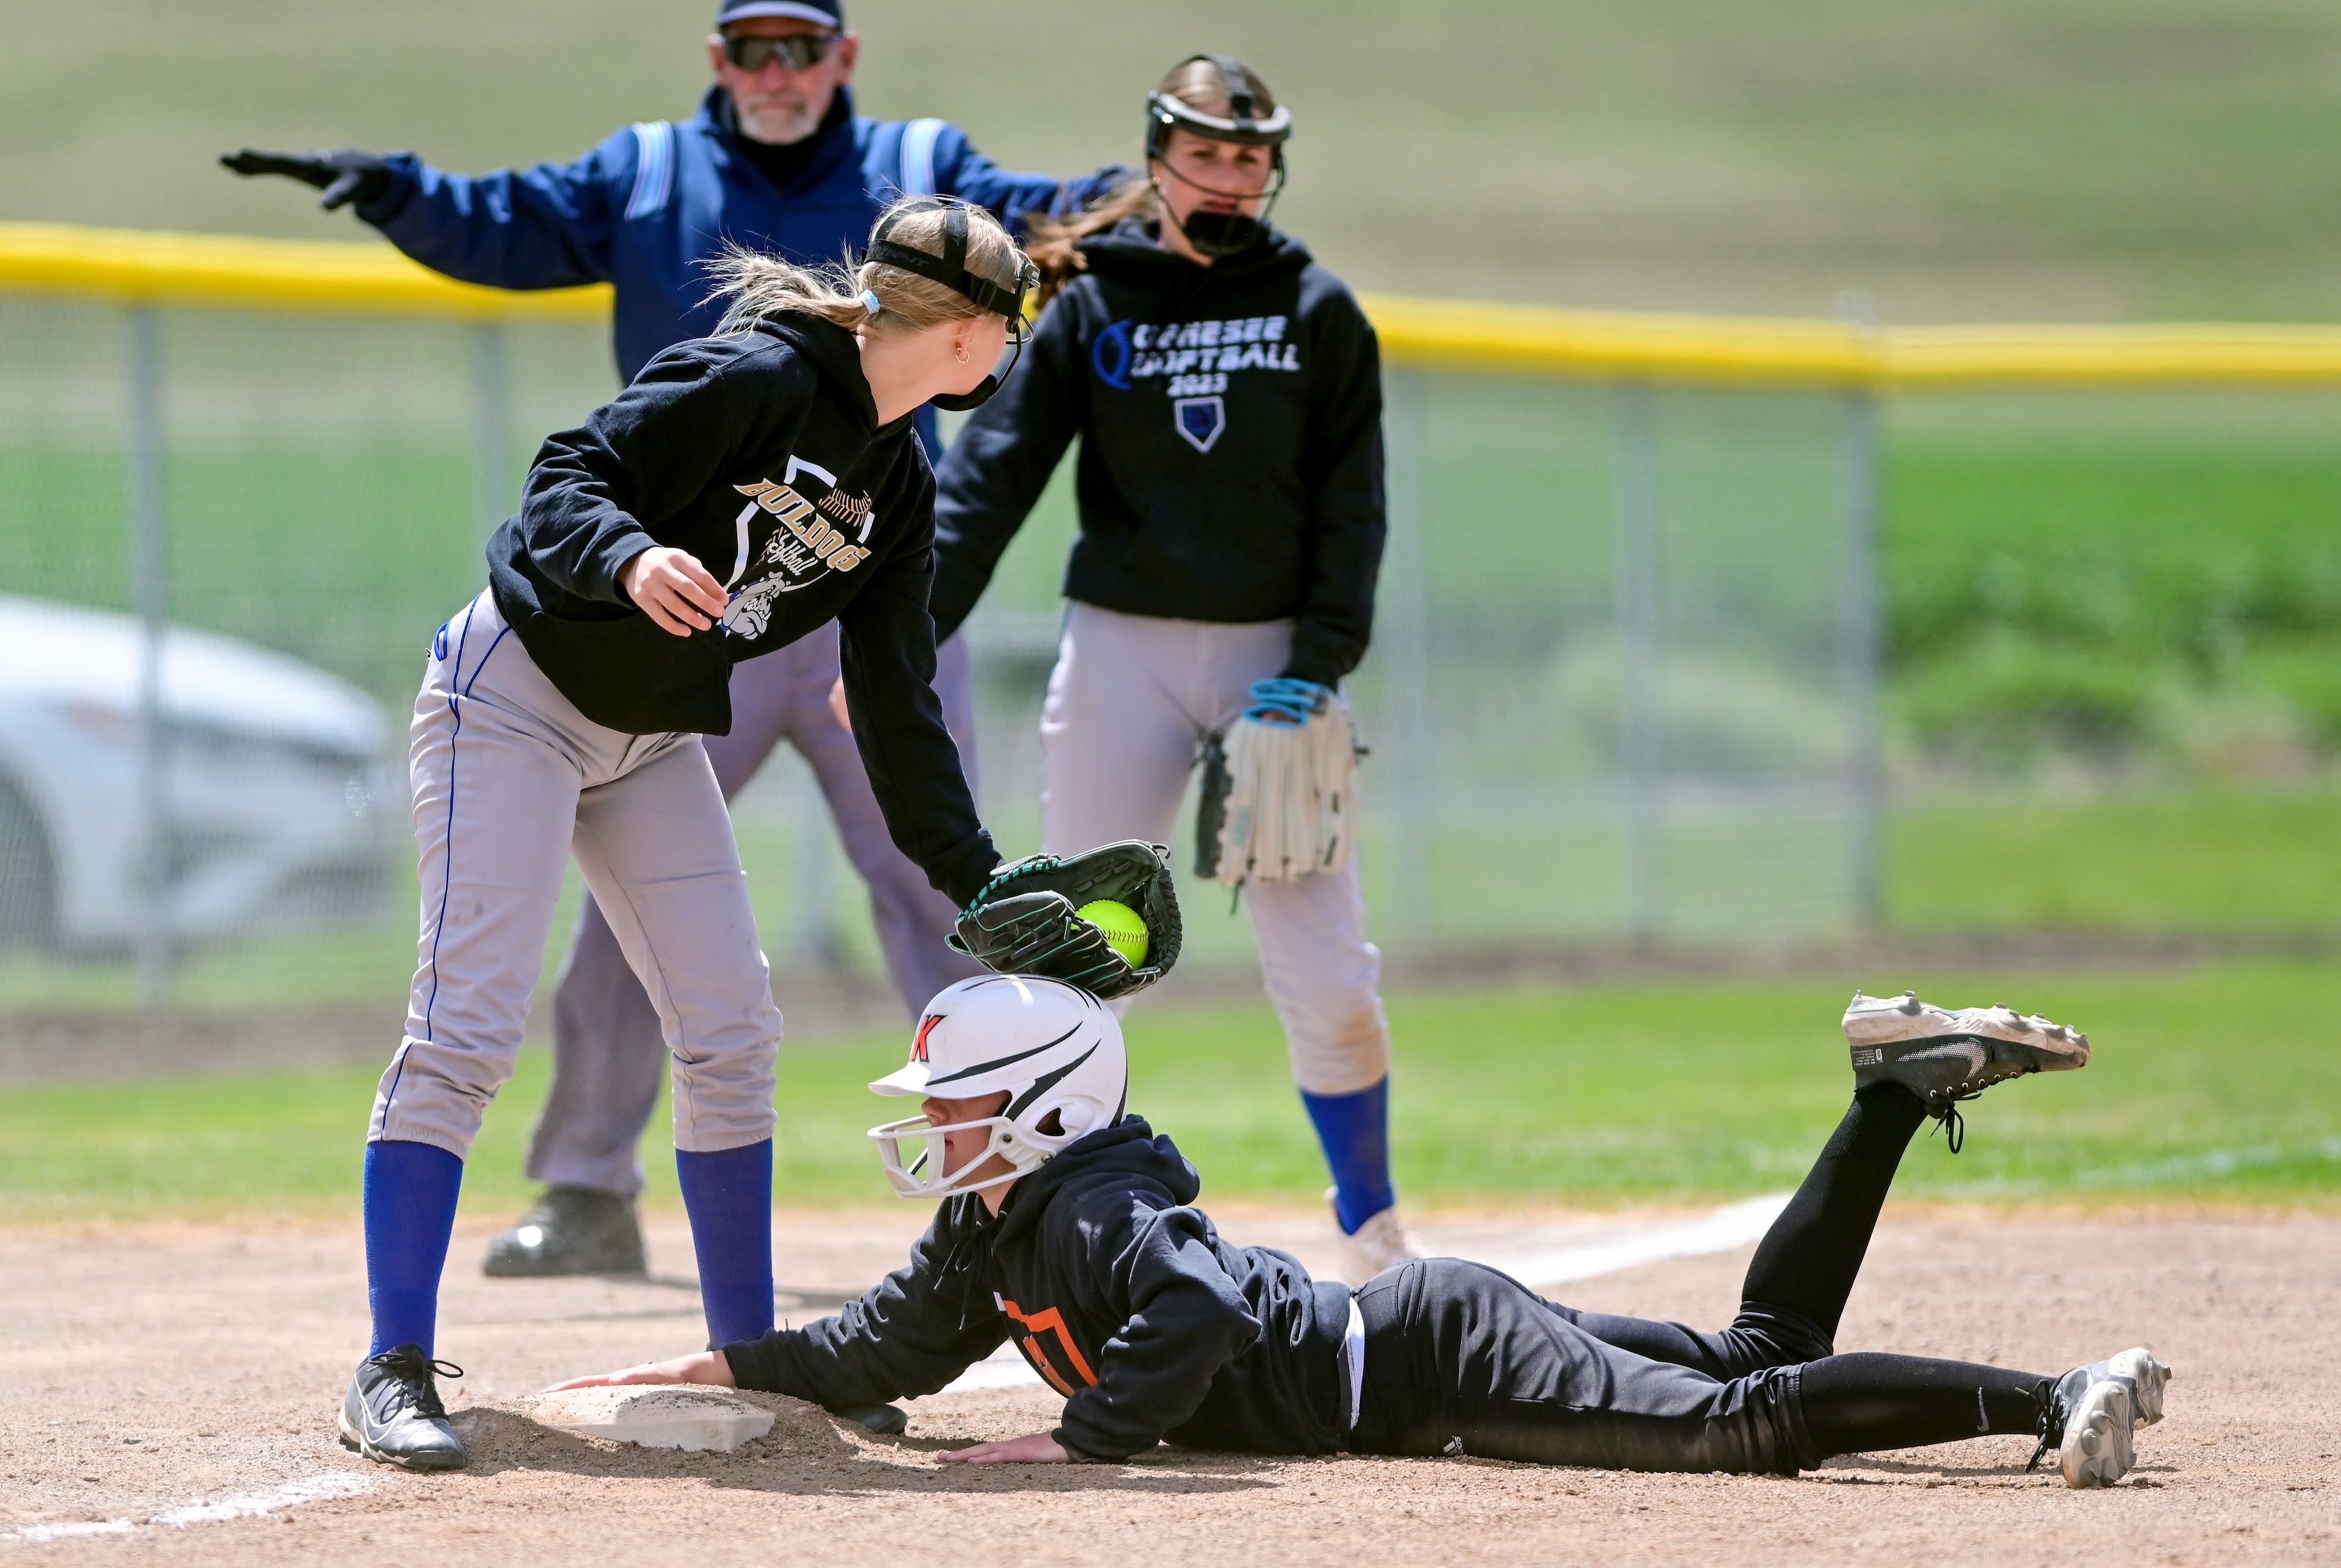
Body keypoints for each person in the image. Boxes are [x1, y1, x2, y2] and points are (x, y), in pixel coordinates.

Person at [223, 0, 1124, 1278]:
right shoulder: (686, 234)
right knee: (573, 954)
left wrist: (989, 883)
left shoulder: (916, 233)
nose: (775, 69)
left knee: (873, 931)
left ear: (840, 59)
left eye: (798, 46)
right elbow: (527, 308)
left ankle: (1002, 1196)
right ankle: (578, 1191)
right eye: (750, 47)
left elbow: (902, 707)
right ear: (720, 62)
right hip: (636, 628)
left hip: (750, 629)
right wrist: (399, 194)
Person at [340, 199, 1116, 1474]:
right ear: (974, 335)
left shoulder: (900, 480)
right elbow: (565, 478)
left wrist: (983, 878)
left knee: (731, 1029)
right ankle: (392, 1364)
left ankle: (753, 1362)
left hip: (647, 742)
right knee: (467, 1023)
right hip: (514, 699)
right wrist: (631, 556)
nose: (1007, 352)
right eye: (1007, 330)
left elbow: (900, 706)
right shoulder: (759, 373)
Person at [553, 983, 2172, 1490]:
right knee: (1760, 1364)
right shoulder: (994, 1225)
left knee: (1745, 1424)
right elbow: (877, 1351)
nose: (937, 1125)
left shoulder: (1101, 1208)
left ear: (1042, 1105)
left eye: (961, 1103)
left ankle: (2050, 1396)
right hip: (1414, 1343)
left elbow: (1183, 1302)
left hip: (1422, 1355)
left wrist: (1087, 1439)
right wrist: (732, 1359)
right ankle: (1890, 1093)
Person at [922, 55, 1416, 1280]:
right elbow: (988, 482)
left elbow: (1353, 512)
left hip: (1276, 666)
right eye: (1206, 151)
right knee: (1076, 953)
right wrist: (910, 628)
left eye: (1250, 156)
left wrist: (1319, 664)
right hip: (1124, 649)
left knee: (1326, 965)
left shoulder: (1318, 312)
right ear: (1158, 157)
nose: (1230, 175)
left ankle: (1372, 1227)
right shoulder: (1091, 300)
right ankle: (1028, 1229)